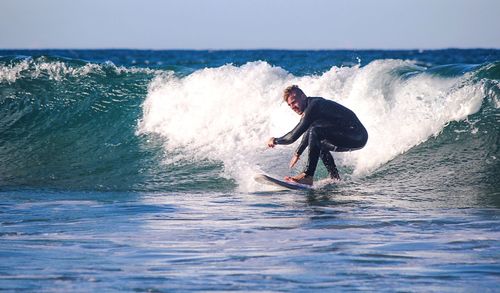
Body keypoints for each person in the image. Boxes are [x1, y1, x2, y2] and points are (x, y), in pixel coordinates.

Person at [267, 85, 368, 186]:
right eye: (290, 105)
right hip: (351, 136)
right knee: (318, 142)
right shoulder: (311, 107)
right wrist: (298, 152)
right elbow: (309, 130)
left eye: (294, 102)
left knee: (316, 132)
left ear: (303, 96)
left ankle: (307, 176)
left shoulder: (314, 106)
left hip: (357, 136)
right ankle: (335, 178)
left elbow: (292, 136)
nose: (292, 107)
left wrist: (275, 140)